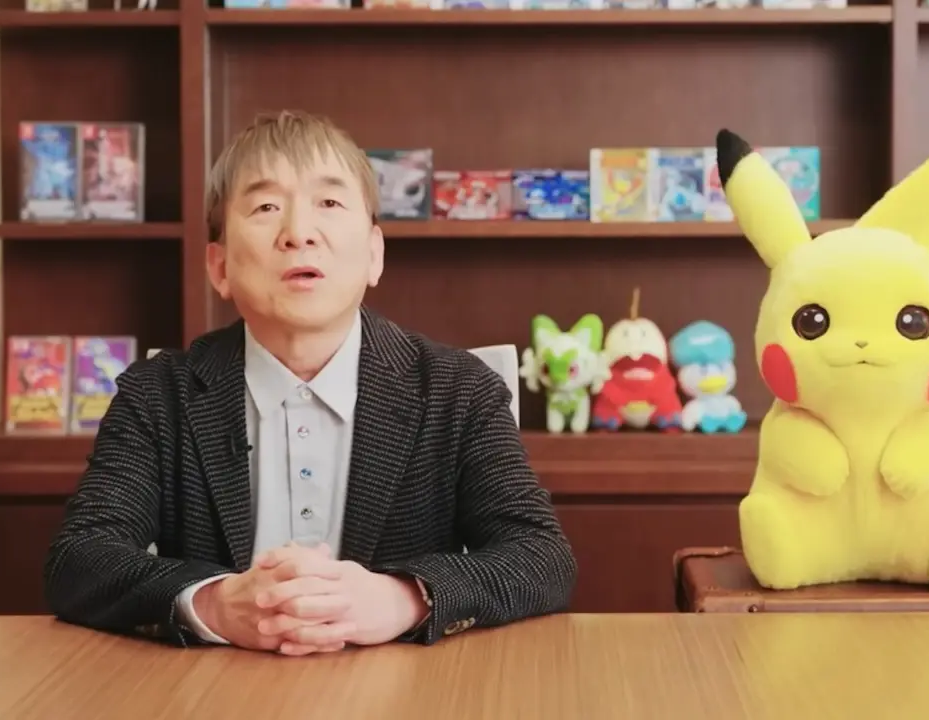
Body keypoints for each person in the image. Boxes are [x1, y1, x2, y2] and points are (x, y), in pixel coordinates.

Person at [43, 110, 578, 655]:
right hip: (214, 686)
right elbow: (80, 558)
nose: (299, 233)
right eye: (266, 207)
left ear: (374, 254)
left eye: (329, 203)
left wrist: (403, 599)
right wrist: (215, 604)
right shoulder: (158, 394)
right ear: (220, 266)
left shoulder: (458, 390)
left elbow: (541, 556)